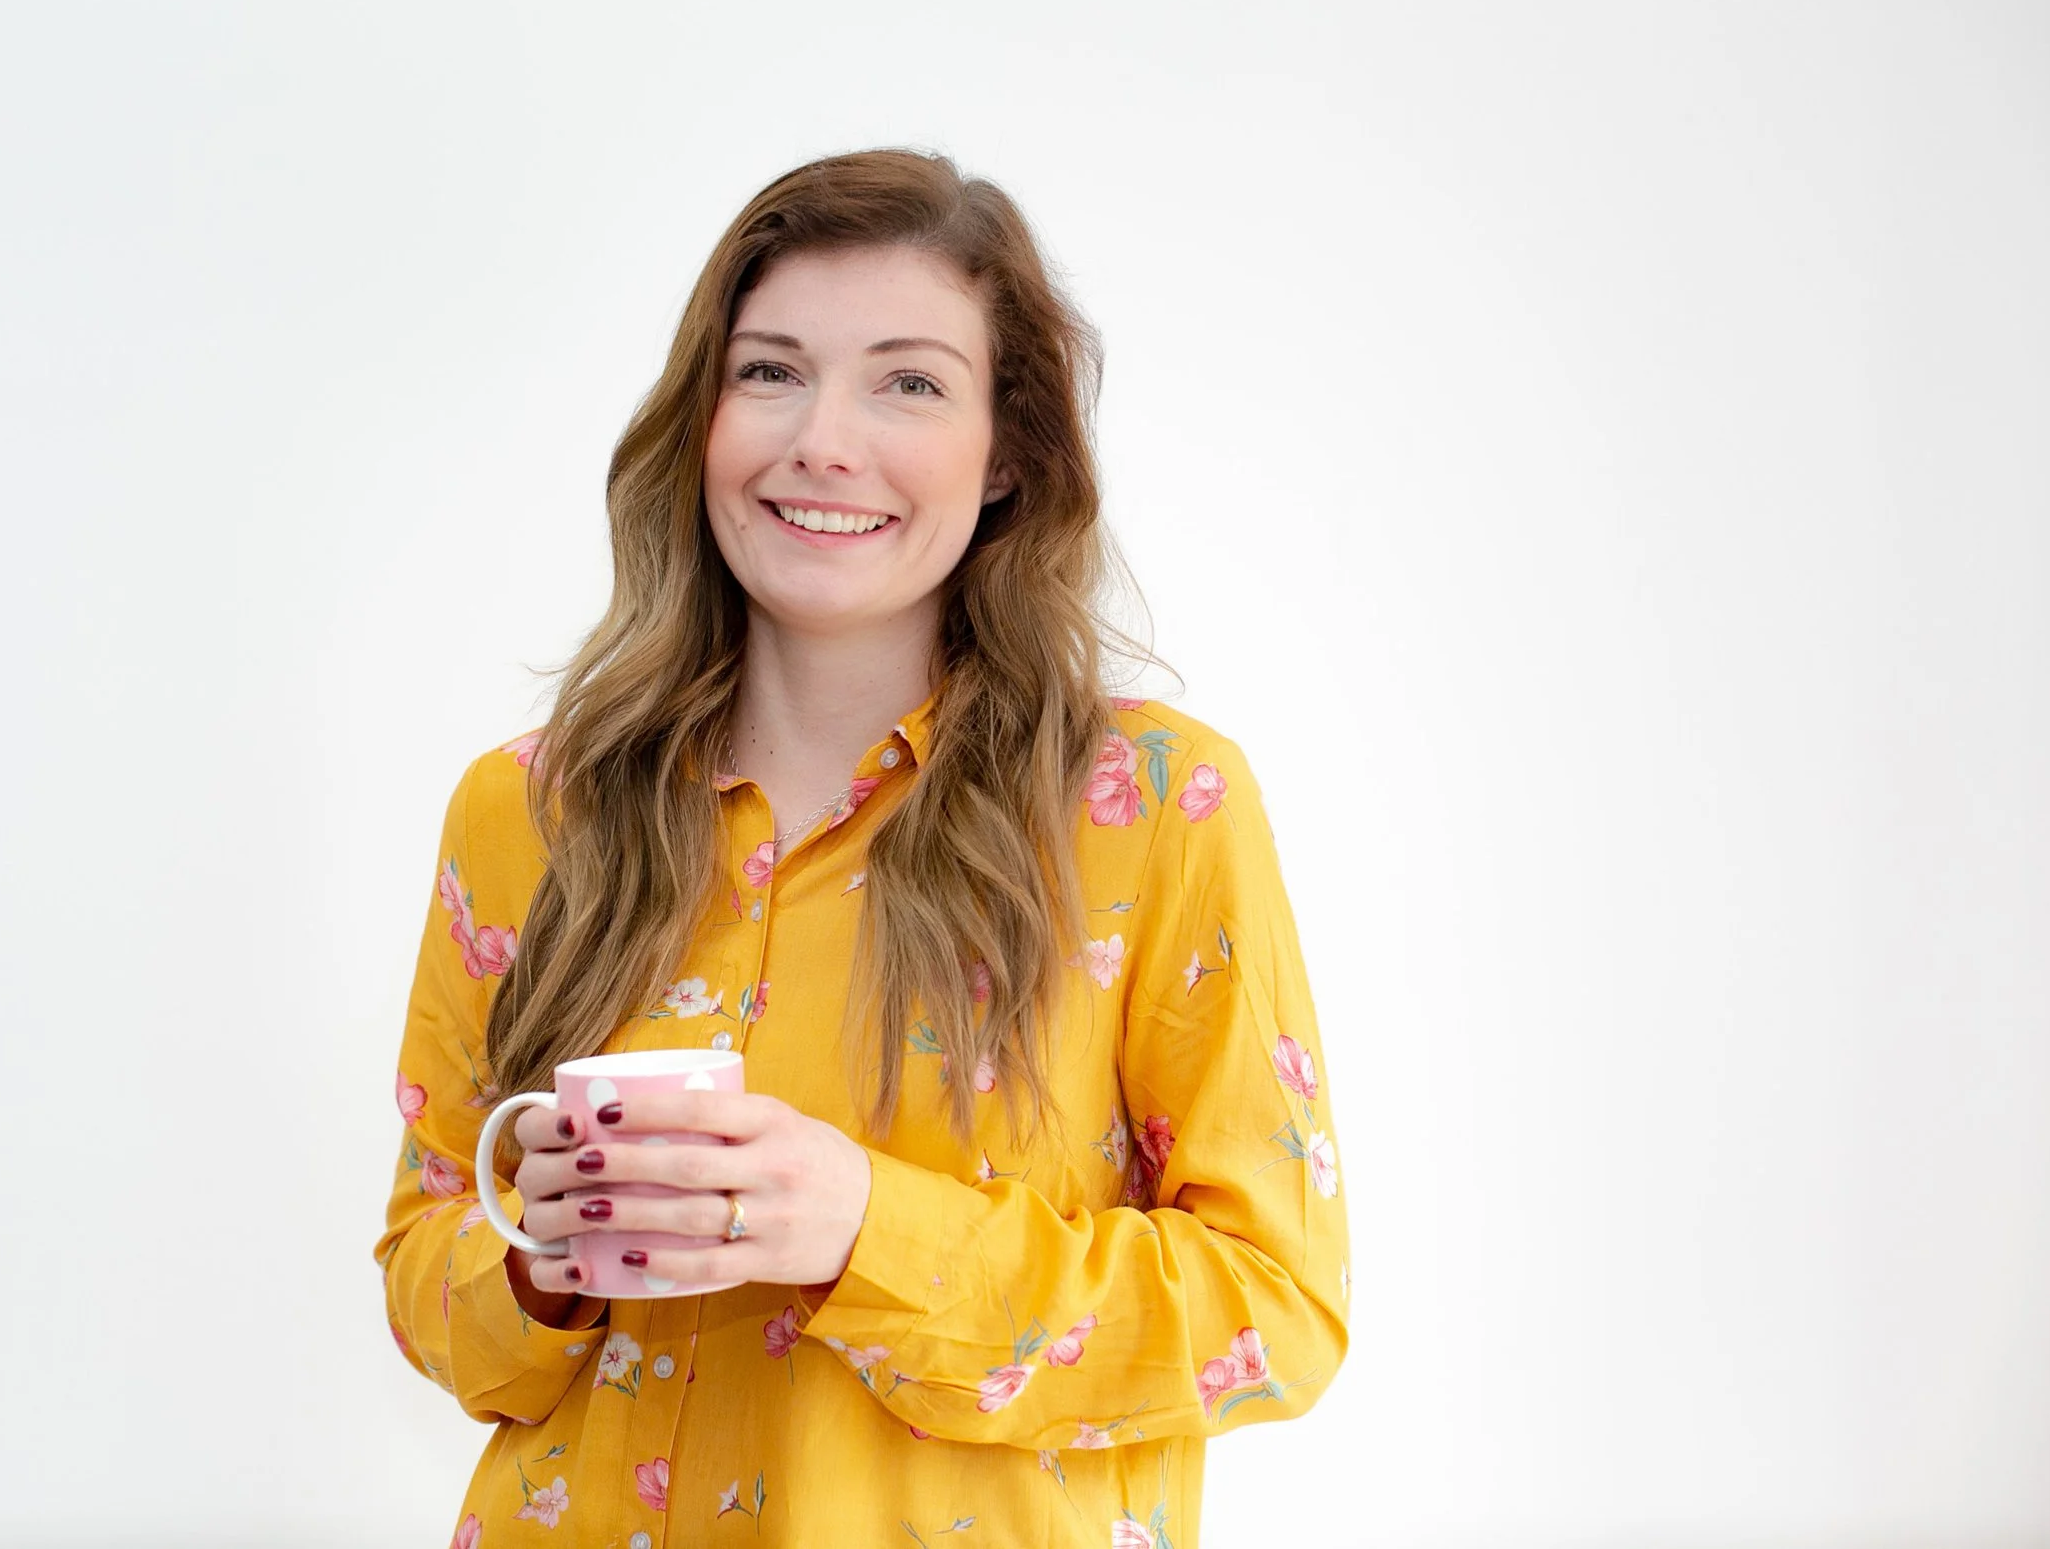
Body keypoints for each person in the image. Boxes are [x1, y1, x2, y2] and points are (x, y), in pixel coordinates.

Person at [374, 147, 1349, 1547]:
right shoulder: (530, 811)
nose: (823, 439)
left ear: (1008, 449)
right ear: (700, 419)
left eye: (908, 381)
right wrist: (539, 1261)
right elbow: (424, 1268)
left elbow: (1277, 1311)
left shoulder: (1151, 804)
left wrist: (866, 1229)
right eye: (769, 370)